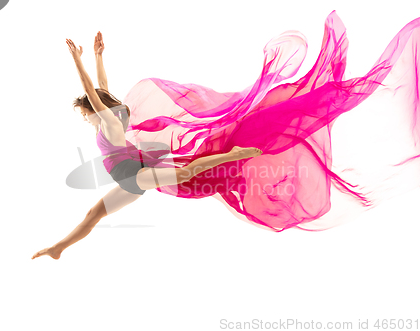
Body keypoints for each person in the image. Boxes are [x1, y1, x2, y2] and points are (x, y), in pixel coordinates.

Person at [32, 32, 262, 260]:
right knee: (93, 215)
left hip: (132, 174)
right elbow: (102, 87)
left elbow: (93, 91)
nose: (85, 118)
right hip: (125, 179)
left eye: (85, 113)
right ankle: (58, 248)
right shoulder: (108, 121)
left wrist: (76, 59)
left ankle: (233, 154)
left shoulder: (110, 122)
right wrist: (98, 56)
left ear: (95, 109)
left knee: (183, 174)